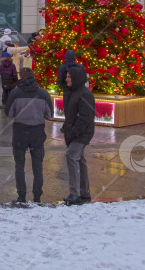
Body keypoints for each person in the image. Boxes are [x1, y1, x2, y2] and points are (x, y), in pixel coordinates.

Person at [5, 67, 52, 204]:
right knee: (38, 166)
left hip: (20, 133)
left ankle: (21, 196)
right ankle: (37, 196)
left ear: (21, 77)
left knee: (19, 165)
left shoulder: (15, 93)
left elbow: (9, 114)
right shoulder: (43, 94)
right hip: (37, 134)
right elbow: (49, 115)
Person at [62, 66, 95, 206]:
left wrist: (73, 132)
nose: (66, 79)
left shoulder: (84, 94)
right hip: (74, 131)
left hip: (82, 133)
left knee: (71, 155)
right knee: (80, 160)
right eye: (67, 76)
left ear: (75, 78)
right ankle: (84, 193)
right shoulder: (73, 91)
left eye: (69, 77)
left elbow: (85, 118)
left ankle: (75, 193)